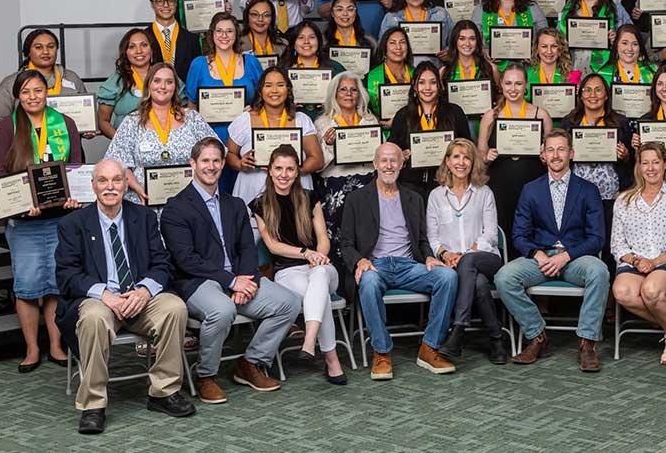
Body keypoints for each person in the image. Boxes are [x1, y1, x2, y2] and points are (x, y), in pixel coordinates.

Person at [55, 160, 195, 434]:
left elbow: (162, 263)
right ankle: (93, 405)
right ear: (93, 185)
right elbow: (67, 275)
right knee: (94, 317)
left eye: (117, 180)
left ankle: (163, 392)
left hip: (138, 296)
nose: (110, 187)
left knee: (174, 307)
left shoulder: (142, 217)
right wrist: (106, 295)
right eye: (103, 181)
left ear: (125, 185)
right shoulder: (73, 224)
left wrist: (144, 291)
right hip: (100, 300)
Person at [161, 138, 302, 403]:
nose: (211, 166)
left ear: (224, 164)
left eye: (216, 160)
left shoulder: (235, 204)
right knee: (222, 310)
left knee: (289, 303)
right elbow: (185, 259)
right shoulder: (176, 207)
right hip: (199, 282)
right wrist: (231, 281)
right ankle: (206, 375)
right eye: (205, 160)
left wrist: (245, 279)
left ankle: (251, 363)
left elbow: (247, 248)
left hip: (240, 278)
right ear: (193, 164)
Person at [0, 69, 83, 372]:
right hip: (24, 223)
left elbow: (76, 167)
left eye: (38, 90)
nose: (32, 96)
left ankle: (56, 346)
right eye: (26, 91)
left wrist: (74, 195)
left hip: (60, 218)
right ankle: (32, 349)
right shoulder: (7, 126)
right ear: (18, 95)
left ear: (47, 93)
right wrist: (20, 205)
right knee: (28, 287)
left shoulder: (64, 123)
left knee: (56, 285)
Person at [341, 142, 458, 379]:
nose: (388, 165)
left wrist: (428, 256)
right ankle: (381, 352)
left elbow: (423, 238)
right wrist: (359, 261)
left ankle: (429, 347)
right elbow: (345, 244)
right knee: (369, 281)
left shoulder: (414, 198)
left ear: (402, 164)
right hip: (376, 265)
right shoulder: (356, 199)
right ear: (375, 164)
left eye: (394, 160)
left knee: (448, 276)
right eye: (383, 160)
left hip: (408, 265)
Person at [495, 129, 609, 371]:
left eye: (561, 149)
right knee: (504, 277)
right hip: (541, 258)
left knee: (599, 271)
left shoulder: (588, 190)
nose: (556, 155)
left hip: (575, 258)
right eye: (550, 150)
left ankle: (587, 343)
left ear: (571, 153)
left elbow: (597, 238)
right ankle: (537, 336)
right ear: (543, 155)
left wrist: (566, 256)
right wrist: (538, 254)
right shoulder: (531, 190)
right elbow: (518, 235)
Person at [250, 146, 347, 385]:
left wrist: (318, 258)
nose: (284, 174)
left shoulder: (310, 197)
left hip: (322, 266)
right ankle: (331, 358)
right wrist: (306, 254)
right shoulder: (260, 205)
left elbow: (323, 238)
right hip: (288, 272)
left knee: (320, 277)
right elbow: (272, 246)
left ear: (297, 172)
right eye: (279, 168)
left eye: (290, 169)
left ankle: (309, 339)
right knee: (319, 292)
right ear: (269, 171)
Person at [611, 142, 666, 365]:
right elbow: (617, 245)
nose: (650, 168)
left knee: (651, 289)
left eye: (655, 162)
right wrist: (635, 260)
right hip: (636, 263)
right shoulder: (624, 200)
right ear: (638, 167)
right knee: (621, 291)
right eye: (645, 163)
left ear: (665, 164)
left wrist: (654, 262)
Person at [427, 139, 510, 363]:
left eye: (466, 157)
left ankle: (458, 328)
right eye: (456, 157)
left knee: (469, 264)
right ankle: (496, 338)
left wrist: (465, 255)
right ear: (447, 161)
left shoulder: (484, 193)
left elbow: (491, 234)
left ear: (473, 163)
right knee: (479, 284)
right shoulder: (436, 196)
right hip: (451, 263)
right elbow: (432, 237)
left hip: (487, 258)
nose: (461, 162)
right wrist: (445, 255)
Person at [105, 63, 218, 205]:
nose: (163, 87)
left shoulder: (192, 118)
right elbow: (117, 163)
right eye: (157, 81)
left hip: (189, 204)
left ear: (175, 87)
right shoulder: (132, 121)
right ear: (148, 85)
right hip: (143, 203)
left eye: (169, 82)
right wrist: (137, 188)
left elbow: (217, 151)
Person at [559, 72, 634, 277]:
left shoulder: (619, 122)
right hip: (577, 196)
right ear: (581, 95)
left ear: (606, 95)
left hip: (610, 196)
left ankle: (610, 298)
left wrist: (626, 154)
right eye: (588, 90)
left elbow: (632, 160)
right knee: (580, 244)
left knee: (610, 245)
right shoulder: (570, 122)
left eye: (598, 90)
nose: (593, 94)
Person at [478, 63, 552, 258]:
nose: (513, 88)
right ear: (501, 84)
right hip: (500, 186)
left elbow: (553, 158)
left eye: (518, 83)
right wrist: (487, 158)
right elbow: (479, 159)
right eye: (508, 83)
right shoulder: (490, 116)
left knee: (532, 230)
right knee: (503, 229)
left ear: (526, 84)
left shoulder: (541, 115)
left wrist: (546, 155)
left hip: (533, 185)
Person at [225, 65, 323, 211]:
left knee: (295, 231)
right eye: (268, 85)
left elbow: (317, 160)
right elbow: (229, 154)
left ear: (288, 90)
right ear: (260, 90)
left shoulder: (302, 119)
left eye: (280, 85)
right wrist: (240, 164)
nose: (274, 91)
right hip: (253, 189)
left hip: (295, 190)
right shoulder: (244, 120)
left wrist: (293, 171)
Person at [314, 72, 380, 261]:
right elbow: (318, 166)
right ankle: (340, 284)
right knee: (336, 236)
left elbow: (378, 157)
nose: (348, 94)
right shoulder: (322, 123)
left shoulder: (370, 121)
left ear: (360, 94)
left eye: (353, 90)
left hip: (366, 184)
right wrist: (327, 145)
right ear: (334, 94)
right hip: (336, 188)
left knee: (365, 234)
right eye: (343, 89)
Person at [387, 62, 471, 194]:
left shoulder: (455, 112)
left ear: (439, 85)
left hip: (447, 183)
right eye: (422, 82)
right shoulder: (403, 115)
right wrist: (401, 156)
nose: (427, 88)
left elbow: (468, 147)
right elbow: (392, 151)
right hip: (410, 186)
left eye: (432, 82)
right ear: (414, 86)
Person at [0, 28, 88, 135]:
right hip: (26, 149)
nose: (46, 51)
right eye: (38, 47)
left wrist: (87, 129)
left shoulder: (71, 78)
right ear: (28, 52)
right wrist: (26, 133)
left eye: (51, 46)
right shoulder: (12, 82)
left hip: (67, 149)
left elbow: (86, 117)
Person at [184, 12, 264, 147]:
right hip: (208, 136)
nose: (224, 36)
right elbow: (192, 106)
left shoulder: (251, 62)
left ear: (236, 35)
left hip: (245, 134)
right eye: (219, 31)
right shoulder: (198, 64)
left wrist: (255, 111)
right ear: (212, 34)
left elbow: (264, 98)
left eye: (229, 31)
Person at [97, 27, 184, 139]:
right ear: (125, 52)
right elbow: (103, 121)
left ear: (151, 49)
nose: (139, 51)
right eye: (132, 47)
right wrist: (121, 143)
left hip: (167, 142)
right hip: (128, 148)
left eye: (144, 45)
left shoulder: (167, 76)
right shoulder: (115, 82)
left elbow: (182, 111)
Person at [558, 0, 630, 75]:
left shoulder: (617, 10)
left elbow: (633, 38)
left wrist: (618, 39)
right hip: (573, 67)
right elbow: (557, 39)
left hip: (606, 69)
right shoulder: (568, 9)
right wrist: (563, 41)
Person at [475, 0, 549, 62]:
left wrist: (534, 51)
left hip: (526, 66)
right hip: (491, 66)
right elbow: (473, 38)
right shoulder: (481, 9)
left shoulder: (532, 8)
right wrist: (483, 50)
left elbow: (547, 36)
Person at [379, 0, 453, 66]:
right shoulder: (391, 18)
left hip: (435, 72)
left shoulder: (440, 14)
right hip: (402, 74)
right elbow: (381, 50)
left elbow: (455, 42)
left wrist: (449, 52)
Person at [278, 21, 346, 122]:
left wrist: (332, 101)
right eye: (301, 38)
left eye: (312, 37)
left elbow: (351, 93)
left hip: (329, 121)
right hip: (293, 121)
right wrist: (287, 103)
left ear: (319, 41)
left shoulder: (335, 68)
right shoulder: (282, 70)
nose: (306, 42)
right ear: (294, 43)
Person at [148, 0, 201, 83]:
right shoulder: (144, 37)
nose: (166, 5)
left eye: (170, 0)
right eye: (159, 1)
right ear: (152, 4)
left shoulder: (192, 39)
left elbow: (196, 73)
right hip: (153, 96)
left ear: (176, 3)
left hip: (184, 97)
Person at [366, 27, 414, 127]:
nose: (398, 47)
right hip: (384, 132)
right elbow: (365, 112)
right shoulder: (369, 78)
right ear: (384, 47)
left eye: (402, 42)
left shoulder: (417, 75)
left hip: (413, 129)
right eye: (392, 43)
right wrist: (380, 122)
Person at [441, 19, 500, 97]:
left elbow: (500, 97)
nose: (467, 44)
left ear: (477, 41)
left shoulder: (492, 69)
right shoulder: (443, 72)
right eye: (462, 39)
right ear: (455, 41)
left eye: (472, 39)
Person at [598, 23, 658, 99]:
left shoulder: (653, 71)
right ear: (616, 45)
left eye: (635, 44)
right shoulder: (604, 74)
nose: (630, 49)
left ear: (640, 47)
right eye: (624, 43)